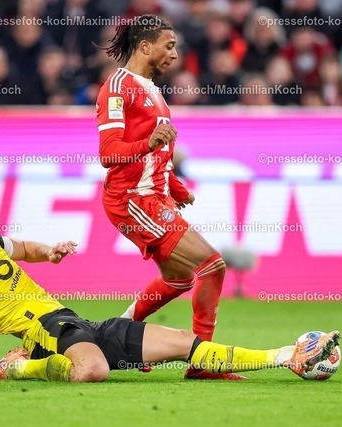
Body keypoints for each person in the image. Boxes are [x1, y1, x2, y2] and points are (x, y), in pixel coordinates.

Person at [0, 191, 340, 383]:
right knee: (93, 370)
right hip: (46, 332)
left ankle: (287, 356)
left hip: (74, 324)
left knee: (183, 342)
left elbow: (25, 248)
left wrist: (51, 251)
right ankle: (19, 367)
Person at [94, 14, 238, 380]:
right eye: (169, 46)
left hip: (154, 197)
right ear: (145, 46)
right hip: (132, 200)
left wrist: (175, 187)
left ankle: (115, 340)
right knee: (212, 266)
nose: (175, 54)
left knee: (180, 278)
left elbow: (157, 155)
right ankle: (203, 362)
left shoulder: (154, 91)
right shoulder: (117, 87)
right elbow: (108, 153)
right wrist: (149, 143)